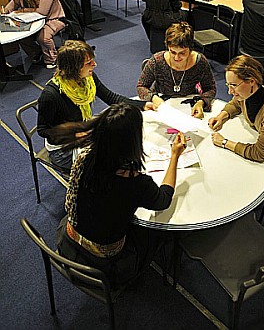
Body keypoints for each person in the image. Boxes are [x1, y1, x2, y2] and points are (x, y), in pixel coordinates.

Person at [53, 103, 186, 287]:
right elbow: (163, 200)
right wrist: (175, 156)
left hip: (68, 238)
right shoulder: (133, 180)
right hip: (103, 264)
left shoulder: (86, 157)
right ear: (132, 140)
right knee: (159, 231)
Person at [37, 40, 155, 173]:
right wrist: (75, 135)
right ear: (74, 68)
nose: (94, 64)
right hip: (63, 150)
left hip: (84, 131)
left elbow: (111, 98)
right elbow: (43, 130)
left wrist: (143, 105)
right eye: (88, 63)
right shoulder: (51, 95)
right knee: (114, 161)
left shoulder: (88, 79)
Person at [208, 55, 264, 164]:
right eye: (228, 85)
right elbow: (236, 103)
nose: (230, 91)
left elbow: (258, 154)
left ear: (252, 81)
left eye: (234, 85)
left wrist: (224, 142)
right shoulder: (247, 94)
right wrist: (221, 117)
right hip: (260, 136)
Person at [137, 22, 216, 119]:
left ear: (190, 48)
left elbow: (210, 89)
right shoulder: (157, 61)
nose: (177, 57)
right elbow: (141, 86)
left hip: (188, 102)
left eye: (182, 53)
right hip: (161, 102)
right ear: (167, 47)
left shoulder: (200, 63)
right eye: (173, 52)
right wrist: (154, 98)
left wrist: (201, 102)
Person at [3, 0, 65, 68]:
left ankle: (51, 59)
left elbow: (42, 12)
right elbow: (15, 2)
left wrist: (22, 11)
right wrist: (6, 9)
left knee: (43, 38)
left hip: (53, 19)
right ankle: (36, 54)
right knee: (21, 35)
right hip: (32, 20)